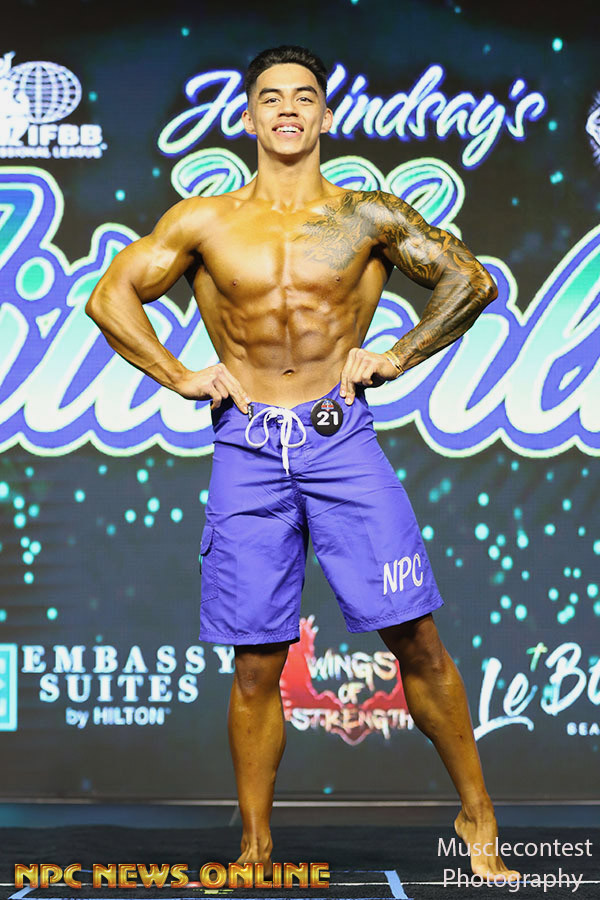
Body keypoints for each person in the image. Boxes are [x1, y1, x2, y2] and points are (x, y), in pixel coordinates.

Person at [86, 45, 519, 884]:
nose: (288, 109)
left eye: (304, 96)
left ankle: (478, 814)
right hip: (246, 446)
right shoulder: (204, 221)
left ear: (325, 114)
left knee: (416, 637)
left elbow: (469, 281)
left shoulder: (366, 216)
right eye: (272, 97)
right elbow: (109, 296)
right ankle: (254, 849)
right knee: (255, 660)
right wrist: (178, 374)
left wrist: (397, 354)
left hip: (340, 439)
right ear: (249, 117)